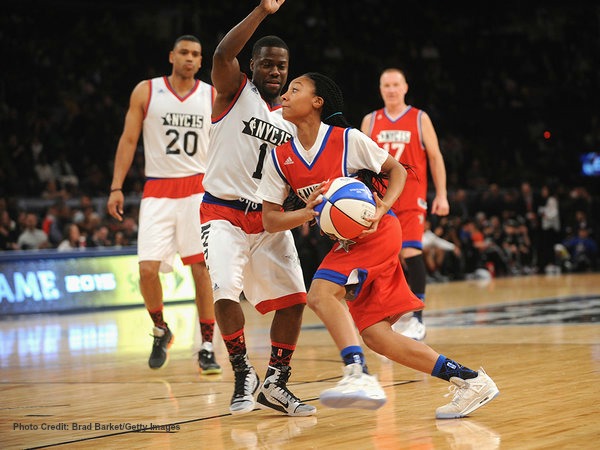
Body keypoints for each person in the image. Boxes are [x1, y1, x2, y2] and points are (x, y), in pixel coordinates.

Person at [257, 72, 499, 419]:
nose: (285, 94)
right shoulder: (280, 157)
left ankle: (358, 373)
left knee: (321, 294)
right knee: (378, 336)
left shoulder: (347, 140)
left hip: (378, 232)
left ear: (317, 102)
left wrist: (383, 207)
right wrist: (306, 213)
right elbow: (270, 219)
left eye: (296, 89)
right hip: (347, 242)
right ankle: (471, 381)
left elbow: (397, 169)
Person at [200, 0, 315, 417]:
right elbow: (220, 54)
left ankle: (276, 382)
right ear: (253, 64)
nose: (274, 71)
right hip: (223, 212)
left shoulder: (293, 120)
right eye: (267, 64)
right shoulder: (233, 89)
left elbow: (296, 177)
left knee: (295, 300)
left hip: (267, 218)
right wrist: (263, 11)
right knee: (226, 293)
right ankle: (241, 370)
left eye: (281, 66)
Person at [107, 35, 221, 375]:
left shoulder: (212, 95)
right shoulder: (146, 90)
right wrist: (116, 187)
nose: (189, 58)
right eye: (184, 52)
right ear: (171, 56)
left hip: (197, 188)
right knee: (146, 270)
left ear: (201, 62)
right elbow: (128, 139)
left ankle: (206, 346)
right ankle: (161, 329)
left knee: (201, 270)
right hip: (157, 188)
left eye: (196, 55)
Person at [360, 68, 449, 341]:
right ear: (380, 88)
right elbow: (361, 162)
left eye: (396, 84)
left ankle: (418, 319)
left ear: (405, 87)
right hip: (380, 198)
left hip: (411, 197)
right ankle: (387, 314)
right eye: (386, 85)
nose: (391, 89)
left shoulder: (420, 118)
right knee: (382, 259)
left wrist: (442, 195)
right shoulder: (370, 120)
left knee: (411, 252)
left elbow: (435, 157)